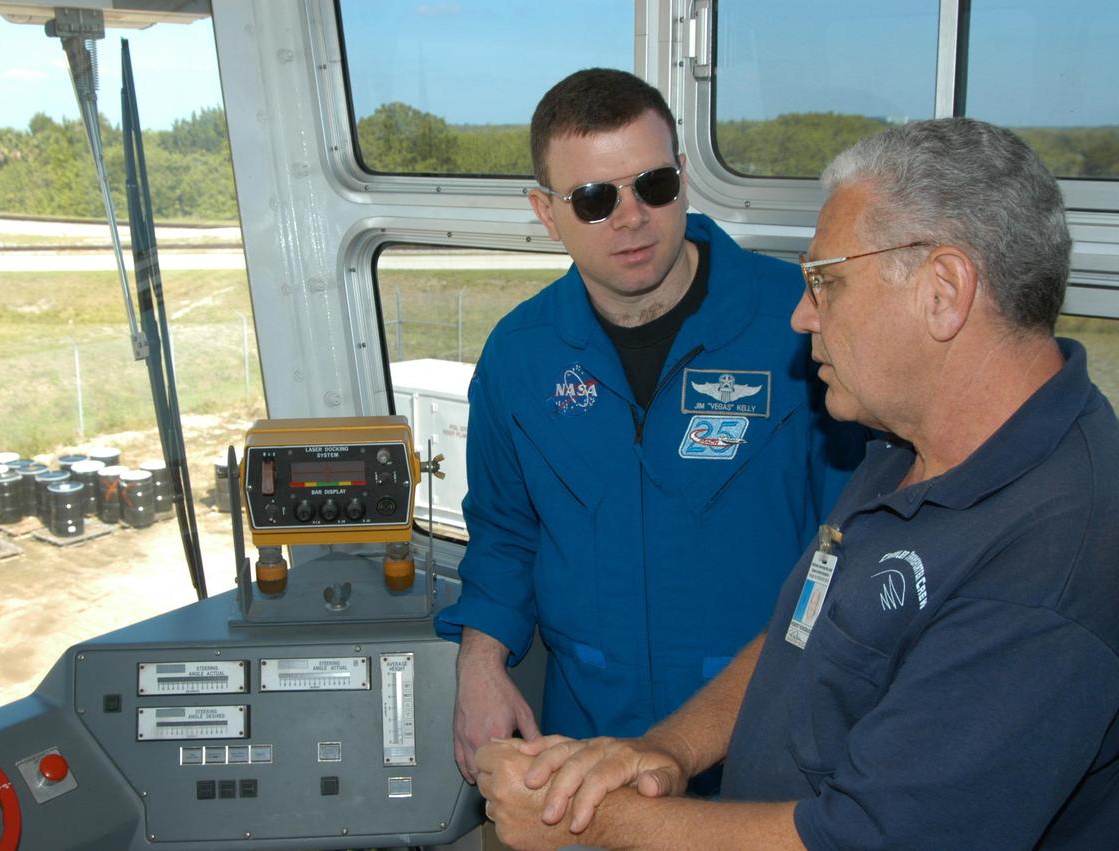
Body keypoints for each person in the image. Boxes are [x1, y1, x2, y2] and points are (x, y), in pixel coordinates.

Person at [474, 116, 1119, 850]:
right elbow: (803, 632)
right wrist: (671, 749)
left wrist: (588, 820)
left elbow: (862, 839)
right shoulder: (903, 452)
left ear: (943, 291)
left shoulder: (1049, 568)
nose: (801, 313)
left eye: (827, 282)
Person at [434, 67, 863, 785]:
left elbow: (859, 539)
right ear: (546, 212)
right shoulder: (520, 355)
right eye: (595, 198)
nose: (631, 217)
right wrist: (479, 660)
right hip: (589, 750)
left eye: (653, 185)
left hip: (769, 740)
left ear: (685, 179)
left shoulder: (798, 322)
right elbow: (506, 533)